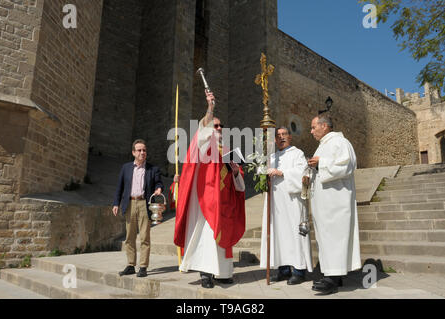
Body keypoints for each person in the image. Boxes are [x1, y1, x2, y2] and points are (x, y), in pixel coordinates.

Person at [173, 90, 246, 289]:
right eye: (216, 125)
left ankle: (222, 273)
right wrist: (210, 108)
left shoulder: (228, 152)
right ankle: (206, 273)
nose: (219, 128)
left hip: (225, 204)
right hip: (206, 201)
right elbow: (203, 129)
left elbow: (239, 185)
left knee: (223, 238)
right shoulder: (203, 146)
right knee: (207, 236)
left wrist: (236, 172)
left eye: (221, 126)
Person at [308, 114, 361, 295]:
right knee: (327, 238)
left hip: (336, 202)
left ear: (324, 126)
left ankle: (332, 278)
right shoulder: (323, 146)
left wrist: (321, 162)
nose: (311, 131)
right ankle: (333, 275)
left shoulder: (340, 142)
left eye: (314, 127)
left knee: (335, 237)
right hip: (324, 202)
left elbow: (348, 166)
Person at [260, 127, 313, 285]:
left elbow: (304, 173)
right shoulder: (272, 157)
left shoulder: (297, 153)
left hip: (292, 202)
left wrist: (282, 173)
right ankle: (283, 270)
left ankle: (298, 270)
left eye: (284, 134)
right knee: (278, 234)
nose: (281, 138)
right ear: (275, 140)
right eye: (278, 136)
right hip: (276, 202)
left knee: (295, 234)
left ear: (290, 137)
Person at [112, 139, 163, 278]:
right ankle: (130, 265)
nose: (142, 152)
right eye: (139, 150)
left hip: (144, 204)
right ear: (133, 152)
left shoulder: (153, 169)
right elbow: (120, 187)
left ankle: (143, 267)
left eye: (144, 150)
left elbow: (159, 182)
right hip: (130, 204)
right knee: (129, 236)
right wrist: (116, 203)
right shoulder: (126, 168)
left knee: (145, 236)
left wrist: (159, 188)